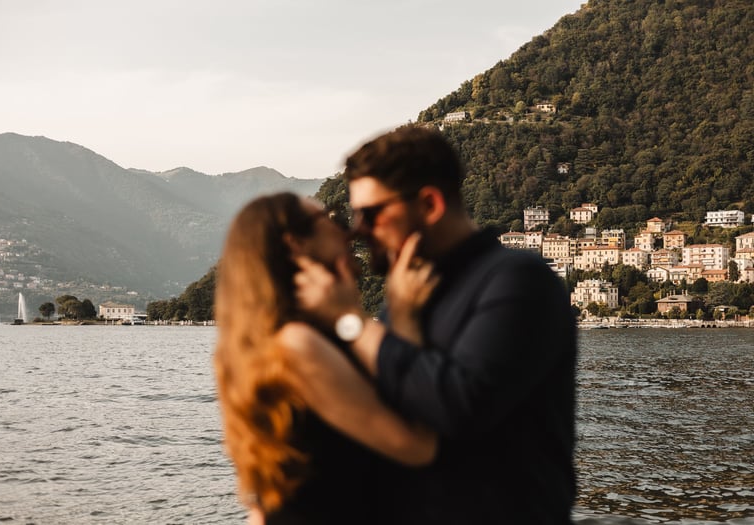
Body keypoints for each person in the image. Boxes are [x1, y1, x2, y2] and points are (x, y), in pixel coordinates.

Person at [292, 125, 578, 524]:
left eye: (370, 213)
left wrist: (349, 321)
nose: (357, 230)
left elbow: (459, 407)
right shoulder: (404, 298)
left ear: (428, 204)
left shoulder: (520, 281)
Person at [212, 192, 438, 525]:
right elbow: (417, 446)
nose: (349, 232)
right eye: (333, 219)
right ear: (296, 245)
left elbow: (259, 504)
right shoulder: (298, 344)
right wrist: (401, 317)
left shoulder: (273, 341)